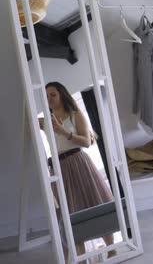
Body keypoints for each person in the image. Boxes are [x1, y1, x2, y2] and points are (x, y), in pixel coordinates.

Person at [41, 82, 116, 260]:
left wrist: (63, 131)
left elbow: (87, 142)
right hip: (59, 168)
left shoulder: (75, 115)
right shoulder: (45, 119)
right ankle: (79, 256)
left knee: (94, 202)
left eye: (53, 94)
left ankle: (112, 248)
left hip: (79, 162)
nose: (49, 99)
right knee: (69, 212)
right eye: (46, 96)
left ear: (62, 95)